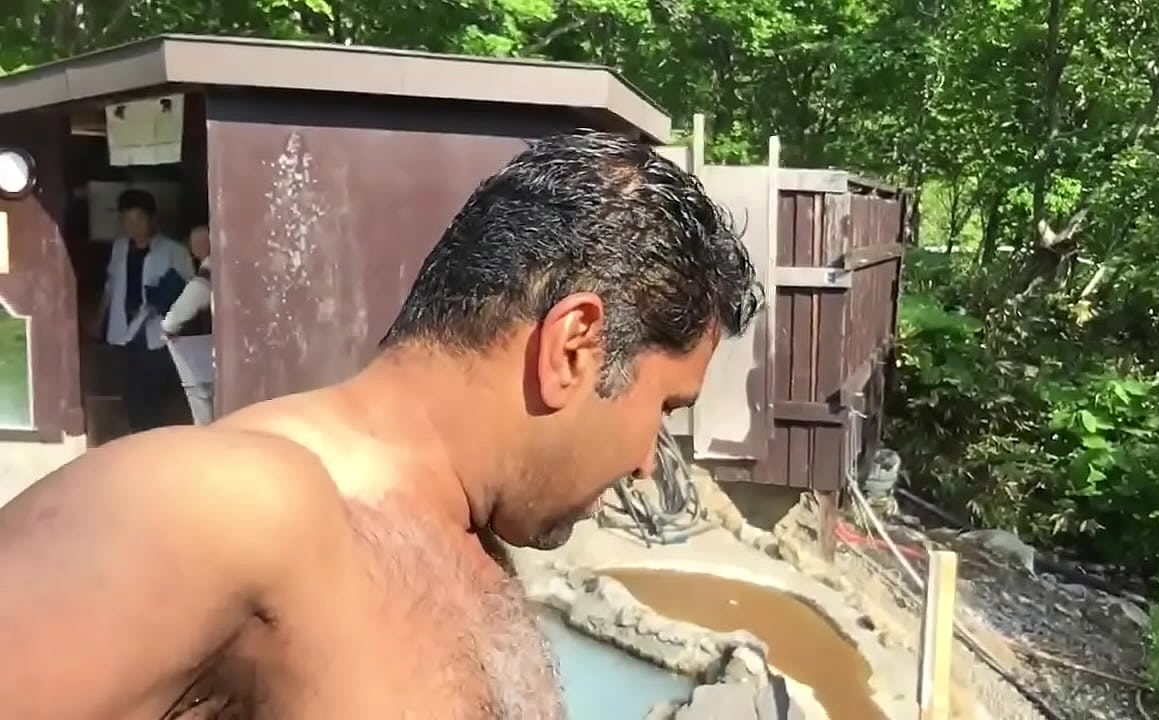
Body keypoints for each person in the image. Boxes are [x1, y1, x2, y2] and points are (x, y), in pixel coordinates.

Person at [0, 132, 762, 719]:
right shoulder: (229, 506)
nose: (643, 464)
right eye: (664, 411)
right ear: (572, 348)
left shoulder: (467, 533)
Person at [91, 188, 194, 432]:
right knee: (130, 392)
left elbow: (191, 290)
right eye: (126, 220)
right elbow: (111, 285)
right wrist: (99, 318)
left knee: (154, 394)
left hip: (158, 335)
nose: (132, 226)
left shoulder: (173, 251)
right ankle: (139, 439)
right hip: (123, 333)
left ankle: (152, 441)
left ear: (152, 220)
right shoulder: (119, 248)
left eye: (138, 219)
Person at [162, 225, 215, 425]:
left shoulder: (212, 265)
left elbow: (189, 303)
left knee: (201, 398)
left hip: (219, 352)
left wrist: (169, 327)